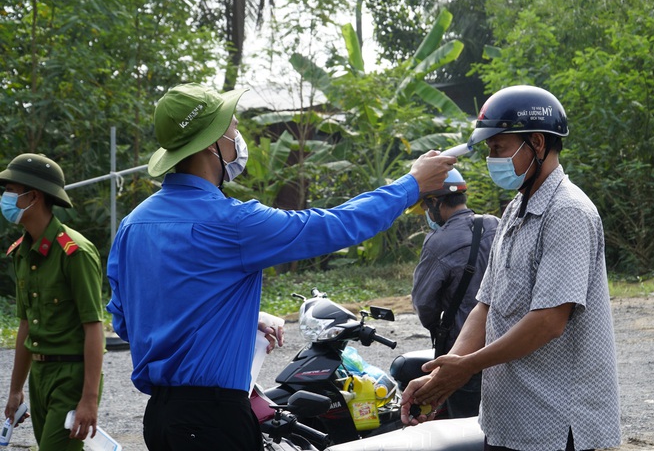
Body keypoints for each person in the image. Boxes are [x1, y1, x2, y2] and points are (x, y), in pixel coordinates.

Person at [105, 82, 456, 451]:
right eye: (234, 129)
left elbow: (128, 322)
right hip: (213, 421)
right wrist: (411, 185)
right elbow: (334, 225)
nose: (238, 136)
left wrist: (230, 317)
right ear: (212, 145)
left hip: (160, 420)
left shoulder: (132, 224)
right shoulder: (232, 223)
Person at [401, 85, 621, 451]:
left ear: (536, 142)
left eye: (498, 148)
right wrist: (447, 371)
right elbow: (485, 304)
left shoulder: (567, 212)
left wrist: (467, 366)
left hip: (553, 425)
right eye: (488, 150)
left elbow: (549, 321)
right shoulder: (515, 210)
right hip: (507, 420)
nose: (492, 159)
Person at [1, 153, 105, 450]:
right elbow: (25, 325)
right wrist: (16, 390)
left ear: (33, 196)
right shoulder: (22, 252)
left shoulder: (75, 253)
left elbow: (94, 327)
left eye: (11, 190)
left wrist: (89, 398)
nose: (5, 197)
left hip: (71, 377)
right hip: (40, 376)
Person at [409, 168, 499, 418]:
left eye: (427, 208)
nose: (428, 214)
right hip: (502, 346)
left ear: (435, 202)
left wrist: (437, 326)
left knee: (464, 426)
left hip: (460, 353)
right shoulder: (495, 224)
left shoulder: (438, 241)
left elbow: (424, 303)